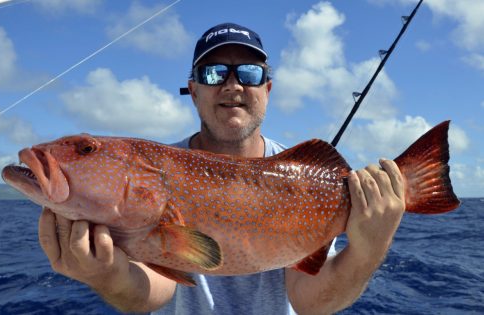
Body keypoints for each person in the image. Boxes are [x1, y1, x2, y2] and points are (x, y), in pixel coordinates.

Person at [38, 22, 406, 314]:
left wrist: (369, 248)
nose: (233, 85)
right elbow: (155, 288)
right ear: (193, 90)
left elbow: (310, 302)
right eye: (214, 74)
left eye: (249, 73)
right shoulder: (153, 175)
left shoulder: (303, 183)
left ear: (268, 89)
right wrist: (109, 275)